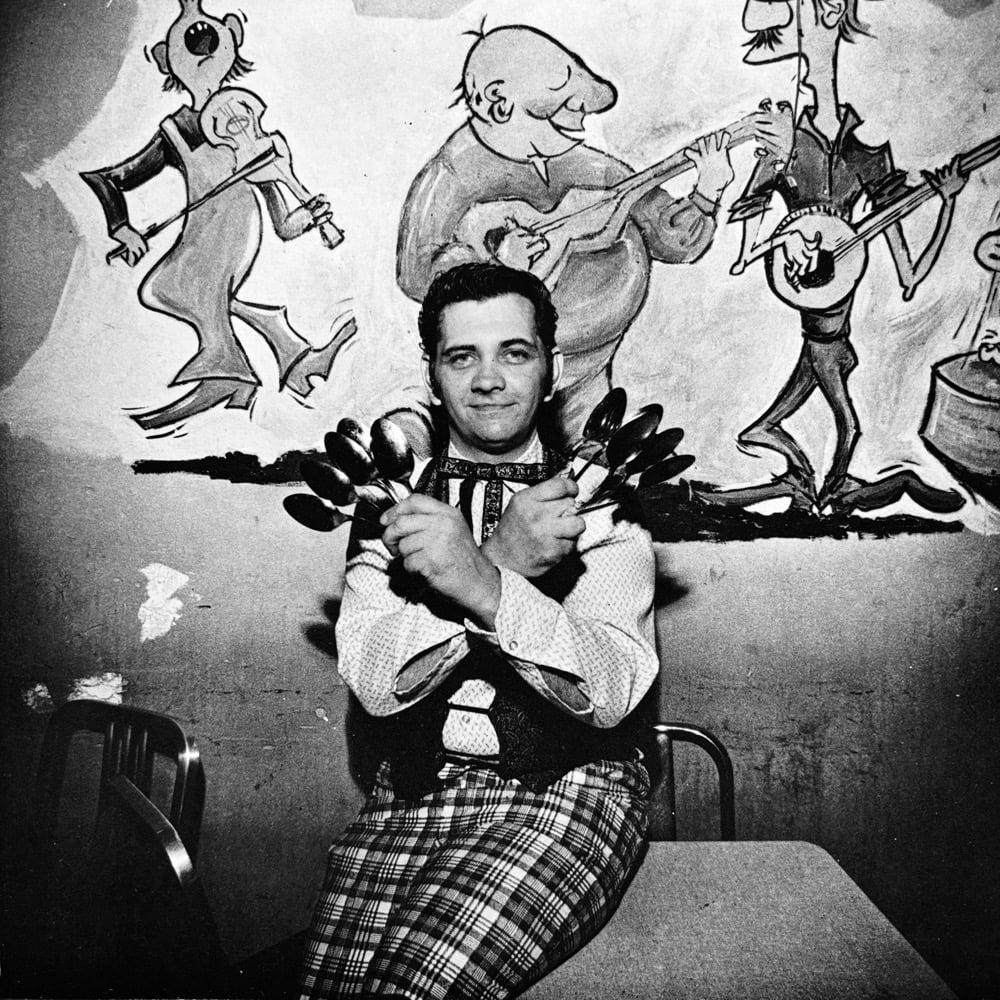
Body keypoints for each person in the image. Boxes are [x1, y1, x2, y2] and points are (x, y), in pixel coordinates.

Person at [298, 263, 659, 999]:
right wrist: (501, 562)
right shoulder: (388, 503)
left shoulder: (601, 505)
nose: (488, 380)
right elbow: (377, 686)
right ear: (432, 376)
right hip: (410, 797)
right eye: (462, 356)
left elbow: (611, 694)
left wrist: (483, 580)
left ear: (553, 369)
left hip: (570, 792)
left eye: (514, 353)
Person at [396, 23, 734, 447]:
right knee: (453, 433)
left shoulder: (591, 166)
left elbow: (669, 238)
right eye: (559, 107)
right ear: (499, 103)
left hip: (586, 367)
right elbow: (416, 272)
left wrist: (707, 193)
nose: (578, 120)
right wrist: (495, 266)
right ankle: (408, 440)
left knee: (591, 449)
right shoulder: (452, 174)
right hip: (496, 368)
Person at [705, 0, 965, 515]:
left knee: (806, 404)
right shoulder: (784, 146)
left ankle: (811, 486)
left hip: (832, 333)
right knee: (848, 426)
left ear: (829, 13)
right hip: (821, 326)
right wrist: (783, 241)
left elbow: (910, 274)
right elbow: (745, 250)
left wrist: (948, 203)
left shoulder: (865, 157)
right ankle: (826, 491)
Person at [81, 0, 354, 431]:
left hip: (231, 241)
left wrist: (308, 215)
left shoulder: (249, 125)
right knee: (165, 289)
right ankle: (293, 353)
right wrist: (122, 227)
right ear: (164, 59)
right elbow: (108, 180)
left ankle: (228, 373)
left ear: (232, 36)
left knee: (175, 287)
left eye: (210, 32)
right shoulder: (175, 132)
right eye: (184, 40)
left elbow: (284, 225)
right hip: (200, 238)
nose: (199, 41)